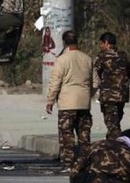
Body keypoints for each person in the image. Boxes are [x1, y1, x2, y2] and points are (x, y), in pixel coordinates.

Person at [45, 30, 96, 172]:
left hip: (67, 103)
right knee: (84, 135)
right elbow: (95, 82)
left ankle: (69, 164)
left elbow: (55, 82)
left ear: (64, 42)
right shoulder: (87, 59)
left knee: (66, 135)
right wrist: (88, 94)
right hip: (84, 103)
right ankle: (85, 163)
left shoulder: (62, 60)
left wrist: (50, 101)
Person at [93, 32, 130, 140]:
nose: (101, 46)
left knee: (111, 123)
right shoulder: (124, 55)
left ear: (107, 43)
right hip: (122, 95)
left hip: (109, 95)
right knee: (116, 120)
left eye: (102, 43)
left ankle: (116, 147)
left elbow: (95, 73)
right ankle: (112, 141)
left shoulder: (102, 56)